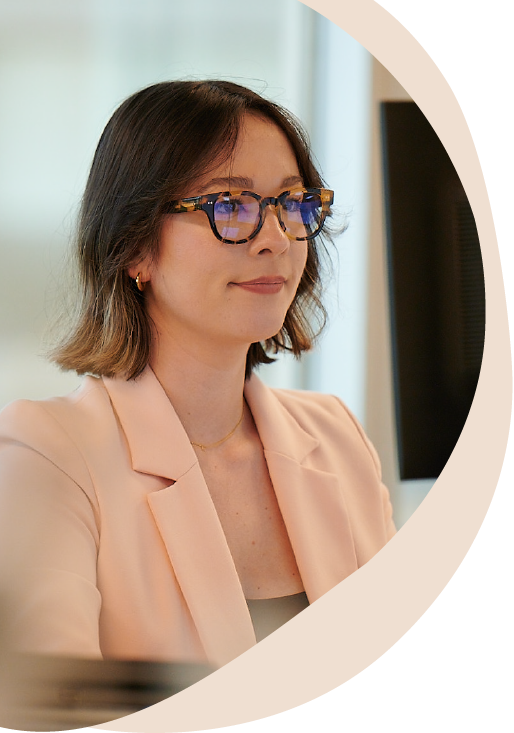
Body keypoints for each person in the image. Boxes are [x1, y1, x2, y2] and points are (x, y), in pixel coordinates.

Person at [0, 80, 395, 670]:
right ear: (134, 246)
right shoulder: (47, 455)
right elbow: (56, 709)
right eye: (230, 206)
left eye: (291, 204)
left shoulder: (336, 436)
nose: (274, 240)